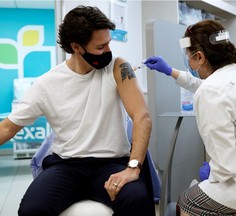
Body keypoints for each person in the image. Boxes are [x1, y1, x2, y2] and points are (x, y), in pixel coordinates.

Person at [0, 5, 155, 216]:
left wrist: (133, 167)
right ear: (77, 47)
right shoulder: (47, 84)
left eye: (108, 43)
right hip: (65, 166)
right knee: (31, 210)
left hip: (111, 164)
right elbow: (8, 128)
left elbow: (141, 116)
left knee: (137, 200)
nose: (108, 51)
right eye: (100, 47)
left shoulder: (118, 68)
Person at [144, 19, 236, 215]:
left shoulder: (213, 89)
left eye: (189, 57)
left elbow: (225, 167)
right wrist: (170, 71)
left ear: (200, 57)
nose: (189, 62)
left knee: (186, 201)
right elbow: (210, 87)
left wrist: (212, 173)